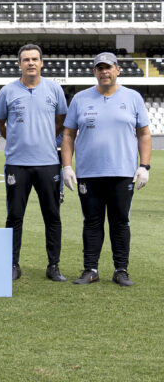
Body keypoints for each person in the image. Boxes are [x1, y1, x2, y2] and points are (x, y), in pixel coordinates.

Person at [62, 52, 152, 286]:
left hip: (122, 173)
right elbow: (68, 134)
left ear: (117, 70)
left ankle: (121, 270)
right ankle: (90, 269)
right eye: (99, 68)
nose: (104, 71)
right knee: (91, 222)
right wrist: (67, 167)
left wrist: (144, 166)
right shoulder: (81, 98)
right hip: (89, 174)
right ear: (94, 72)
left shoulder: (133, 98)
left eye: (108, 67)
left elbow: (143, 133)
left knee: (120, 222)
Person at [0, 43, 69, 282]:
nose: (30, 63)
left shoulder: (54, 89)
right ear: (19, 64)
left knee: (52, 215)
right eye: (25, 59)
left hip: (48, 162)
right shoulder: (7, 91)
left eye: (34, 59)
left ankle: (54, 265)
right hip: (17, 163)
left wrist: (45, 137)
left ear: (41, 62)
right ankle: (12, 264)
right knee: (14, 215)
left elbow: (61, 120)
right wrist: (17, 139)